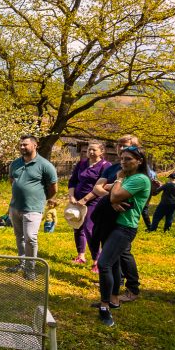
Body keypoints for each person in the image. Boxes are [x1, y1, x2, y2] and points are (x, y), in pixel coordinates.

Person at [94, 146, 151, 327]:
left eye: (128, 159)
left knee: (104, 264)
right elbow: (104, 189)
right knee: (114, 264)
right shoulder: (129, 177)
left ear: (139, 161)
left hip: (125, 227)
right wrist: (114, 195)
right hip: (113, 225)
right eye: (122, 158)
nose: (123, 162)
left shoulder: (140, 179)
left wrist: (118, 181)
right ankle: (114, 300)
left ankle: (104, 307)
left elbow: (115, 195)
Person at [92, 135, 145, 297]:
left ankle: (132, 287)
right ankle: (114, 288)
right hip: (109, 217)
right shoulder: (113, 168)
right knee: (111, 257)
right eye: (119, 145)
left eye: (125, 146)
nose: (121, 149)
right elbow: (97, 188)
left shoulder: (138, 171)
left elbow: (138, 192)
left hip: (125, 218)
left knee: (123, 253)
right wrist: (112, 200)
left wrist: (115, 196)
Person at [7, 135, 58, 278]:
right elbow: (12, 180)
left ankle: (30, 268)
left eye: (25, 144)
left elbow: (53, 188)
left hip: (33, 208)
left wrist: (40, 199)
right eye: (21, 144)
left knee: (30, 237)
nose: (22, 147)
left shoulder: (45, 165)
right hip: (15, 206)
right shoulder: (15, 163)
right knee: (19, 236)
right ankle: (22, 263)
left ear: (35, 146)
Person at [68, 142, 112, 265]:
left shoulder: (105, 166)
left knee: (89, 229)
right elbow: (73, 181)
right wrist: (71, 196)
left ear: (101, 152)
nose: (91, 152)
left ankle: (96, 260)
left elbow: (102, 186)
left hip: (94, 201)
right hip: (77, 200)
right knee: (77, 226)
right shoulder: (82, 163)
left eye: (94, 150)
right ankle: (81, 256)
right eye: (89, 149)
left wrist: (85, 199)